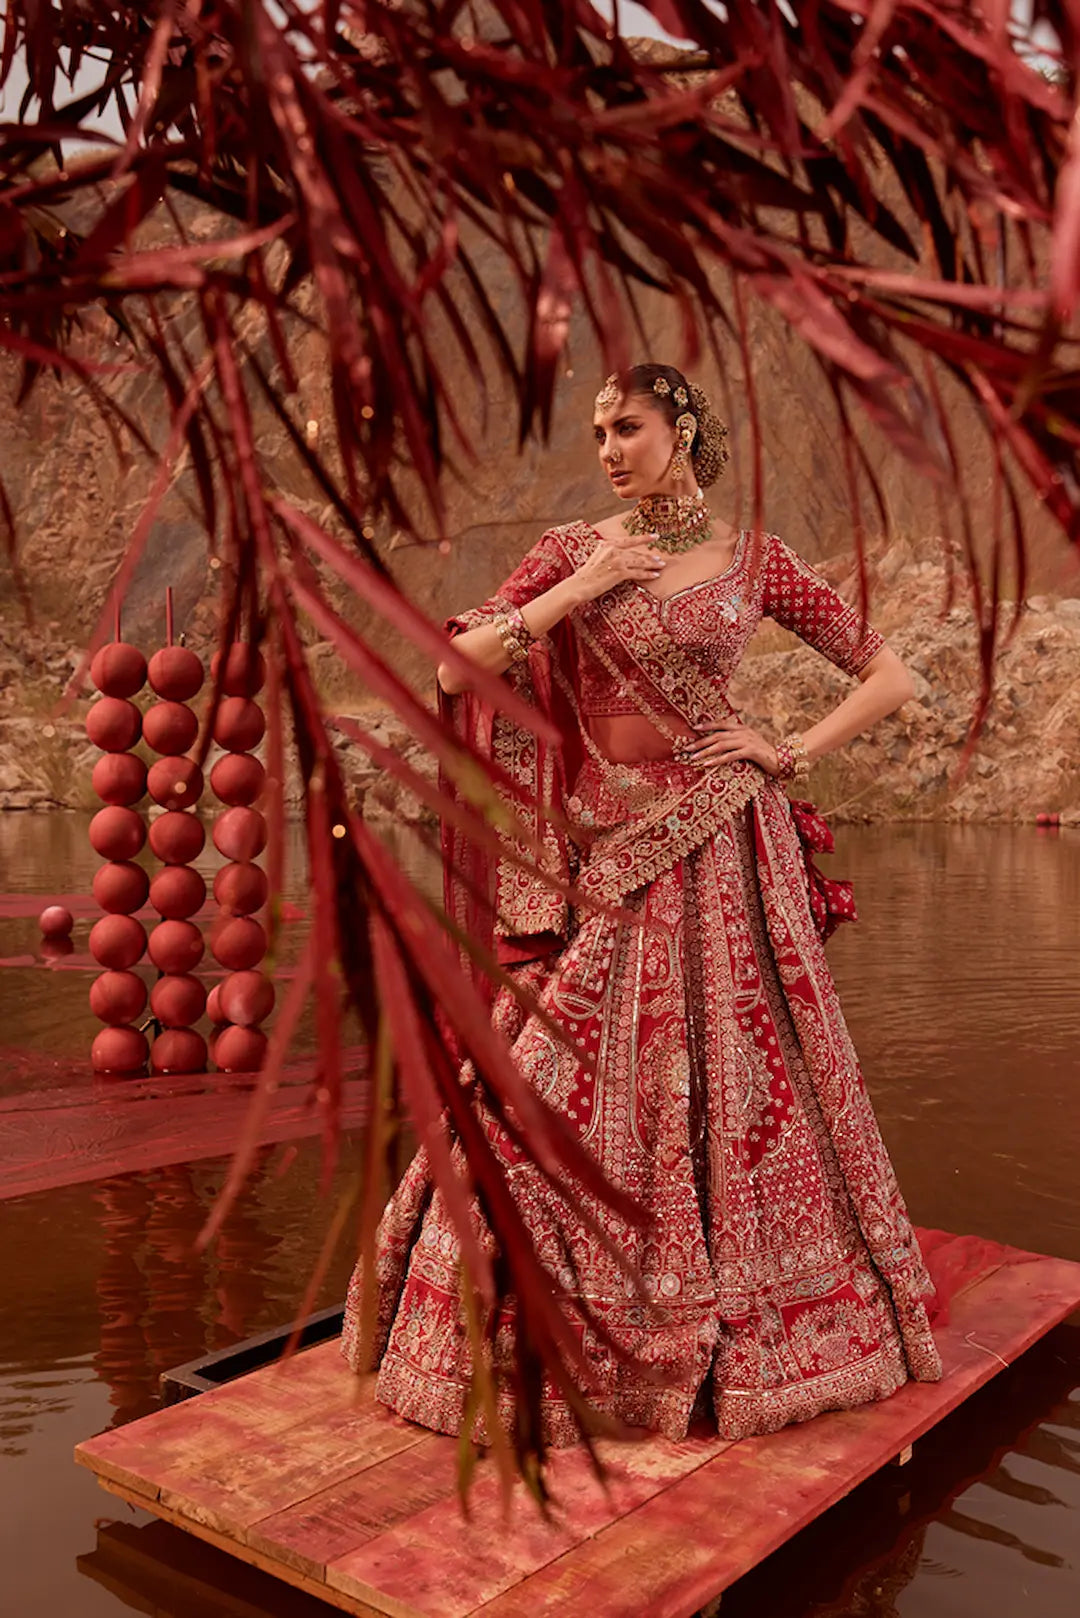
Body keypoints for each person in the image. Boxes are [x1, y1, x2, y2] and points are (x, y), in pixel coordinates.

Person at [341, 362, 943, 1446]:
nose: (609, 448)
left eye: (628, 427)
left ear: (685, 429)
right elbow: (453, 668)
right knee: (549, 1078)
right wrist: (578, 589)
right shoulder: (575, 549)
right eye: (598, 431)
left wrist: (784, 748)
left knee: (745, 1087)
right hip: (608, 861)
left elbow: (892, 674)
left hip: (726, 844)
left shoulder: (756, 561)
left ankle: (755, 1326)